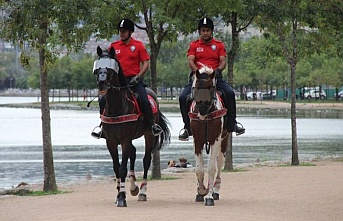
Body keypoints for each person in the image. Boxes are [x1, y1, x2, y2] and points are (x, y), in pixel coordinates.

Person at [91, 18, 162, 138]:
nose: (121, 33)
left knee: (144, 100)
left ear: (130, 32)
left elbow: (146, 63)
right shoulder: (113, 46)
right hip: (118, 82)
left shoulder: (138, 46)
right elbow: (108, 63)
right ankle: (102, 126)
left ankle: (151, 125)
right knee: (102, 99)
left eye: (124, 31)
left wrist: (139, 76)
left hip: (134, 81)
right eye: (120, 31)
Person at [178, 17, 245, 141]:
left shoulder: (219, 45)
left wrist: (217, 71)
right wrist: (196, 72)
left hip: (215, 78)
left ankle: (232, 124)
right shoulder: (194, 45)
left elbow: (223, 62)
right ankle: (187, 128)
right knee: (183, 98)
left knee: (230, 93)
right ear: (199, 31)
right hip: (198, 79)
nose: (205, 33)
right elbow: (191, 61)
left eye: (208, 30)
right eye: (203, 30)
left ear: (211, 31)